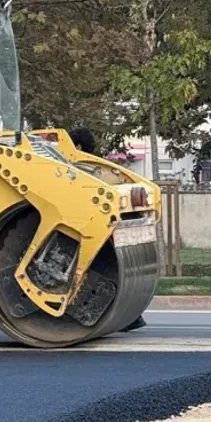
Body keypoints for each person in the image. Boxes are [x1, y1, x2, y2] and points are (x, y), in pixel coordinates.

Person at [70, 125, 146, 333]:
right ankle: (130, 317)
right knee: (108, 273)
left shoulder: (78, 168)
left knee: (95, 274)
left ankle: (121, 317)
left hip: (94, 231)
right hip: (109, 230)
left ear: (76, 145)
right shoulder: (99, 167)